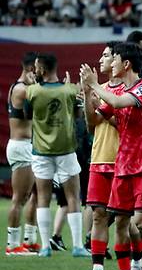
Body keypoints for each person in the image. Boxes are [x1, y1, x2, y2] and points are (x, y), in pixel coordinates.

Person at [79, 42, 142, 270]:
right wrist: (86, 93)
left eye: (114, 59)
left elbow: (118, 104)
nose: (110, 63)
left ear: (125, 64)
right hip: (124, 165)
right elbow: (93, 120)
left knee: (141, 223)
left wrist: (94, 84)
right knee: (122, 221)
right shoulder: (114, 93)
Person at [27, 53, 87, 258]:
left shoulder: (32, 91)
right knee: (73, 197)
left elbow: (28, 115)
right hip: (66, 150)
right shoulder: (70, 90)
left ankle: (45, 247)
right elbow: (79, 115)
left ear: (42, 70)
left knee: (43, 197)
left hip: (41, 151)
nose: (34, 70)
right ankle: (78, 246)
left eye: (36, 67)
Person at [75, 41, 123, 270]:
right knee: (98, 215)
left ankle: (137, 265)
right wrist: (86, 92)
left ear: (118, 60)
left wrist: (100, 102)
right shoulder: (99, 89)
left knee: (130, 220)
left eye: (106, 56)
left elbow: (123, 124)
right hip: (99, 158)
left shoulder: (127, 91)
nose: (101, 60)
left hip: (124, 161)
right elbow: (91, 124)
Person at [5, 51, 39, 256]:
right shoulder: (20, 89)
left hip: (30, 147)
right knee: (19, 197)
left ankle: (30, 240)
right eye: (37, 70)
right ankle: (12, 244)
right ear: (30, 69)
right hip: (21, 146)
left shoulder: (27, 88)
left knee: (35, 195)